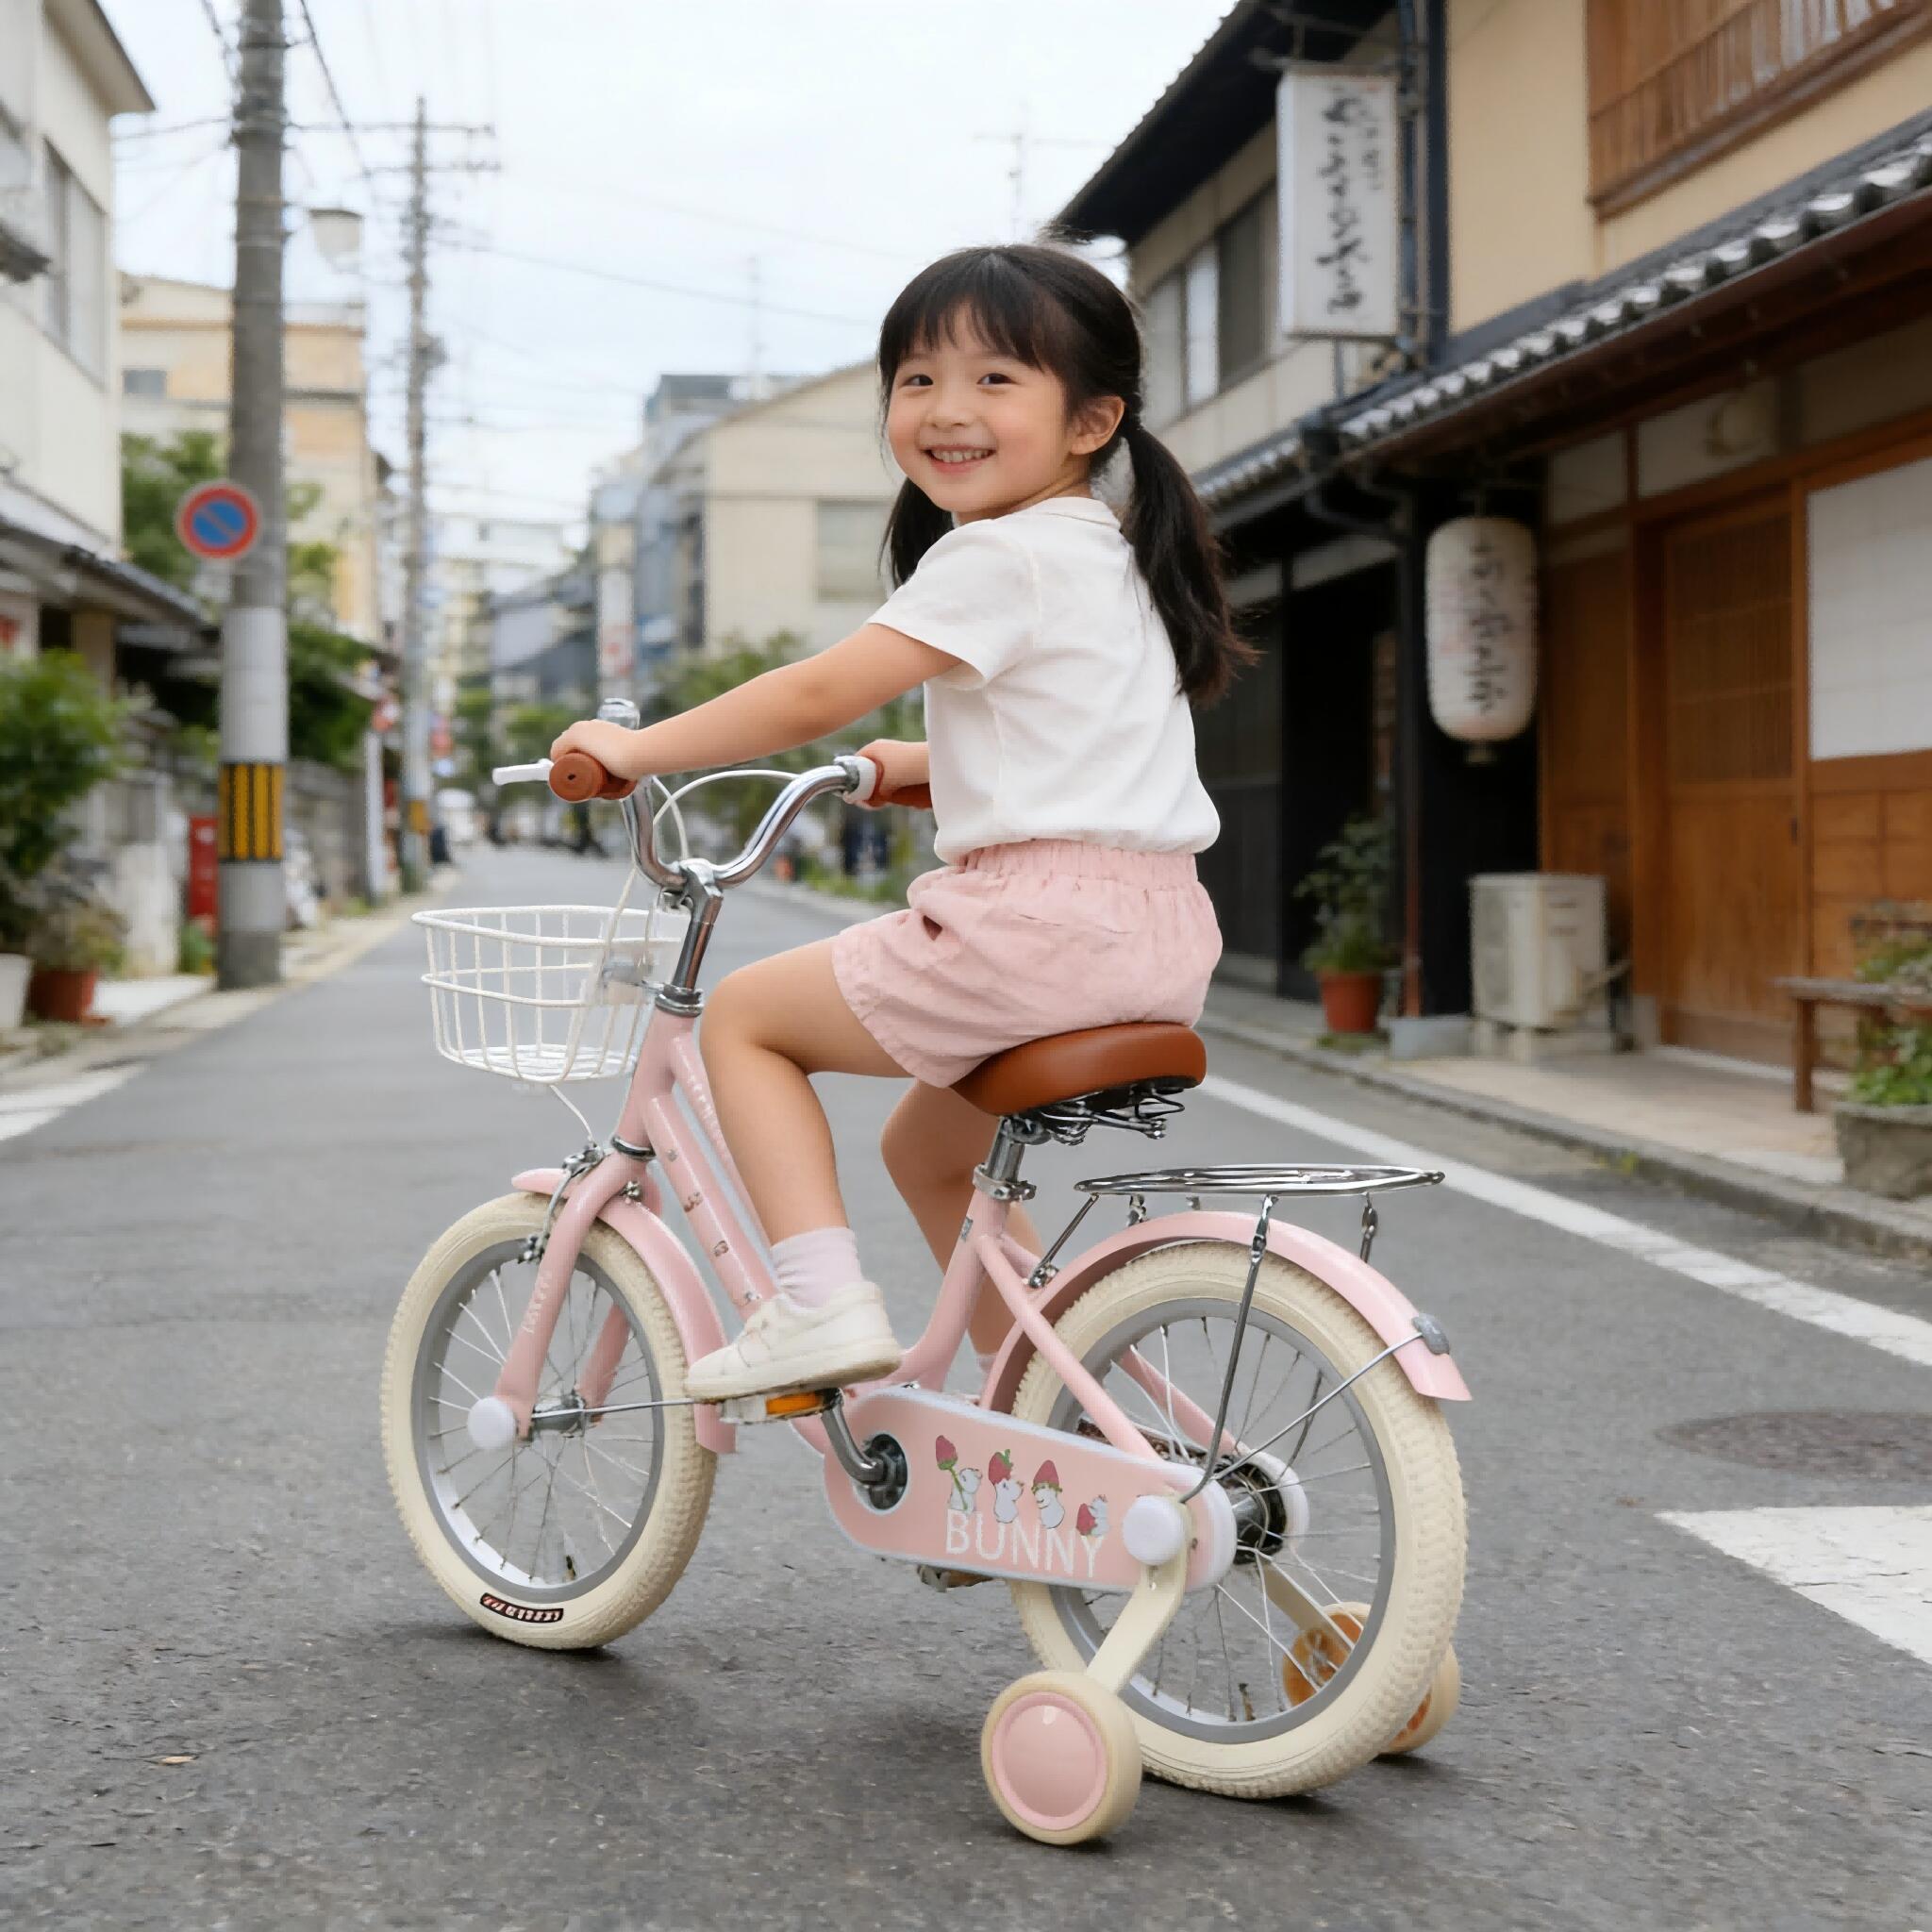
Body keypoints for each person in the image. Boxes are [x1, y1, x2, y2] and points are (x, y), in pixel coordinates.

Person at [548, 242, 1250, 1400]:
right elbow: (1087, 737)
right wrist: (931, 765)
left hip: (1031, 934)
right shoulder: (1114, 558)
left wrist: (636, 748)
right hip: (1156, 934)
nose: (943, 410)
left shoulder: (997, 556)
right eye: (916, 379)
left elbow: (821, 690)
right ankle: (1049, 1406)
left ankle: (816, 1304)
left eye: (992, 380)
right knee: (926, 1150)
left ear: (1090, 421)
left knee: (743, 1017)